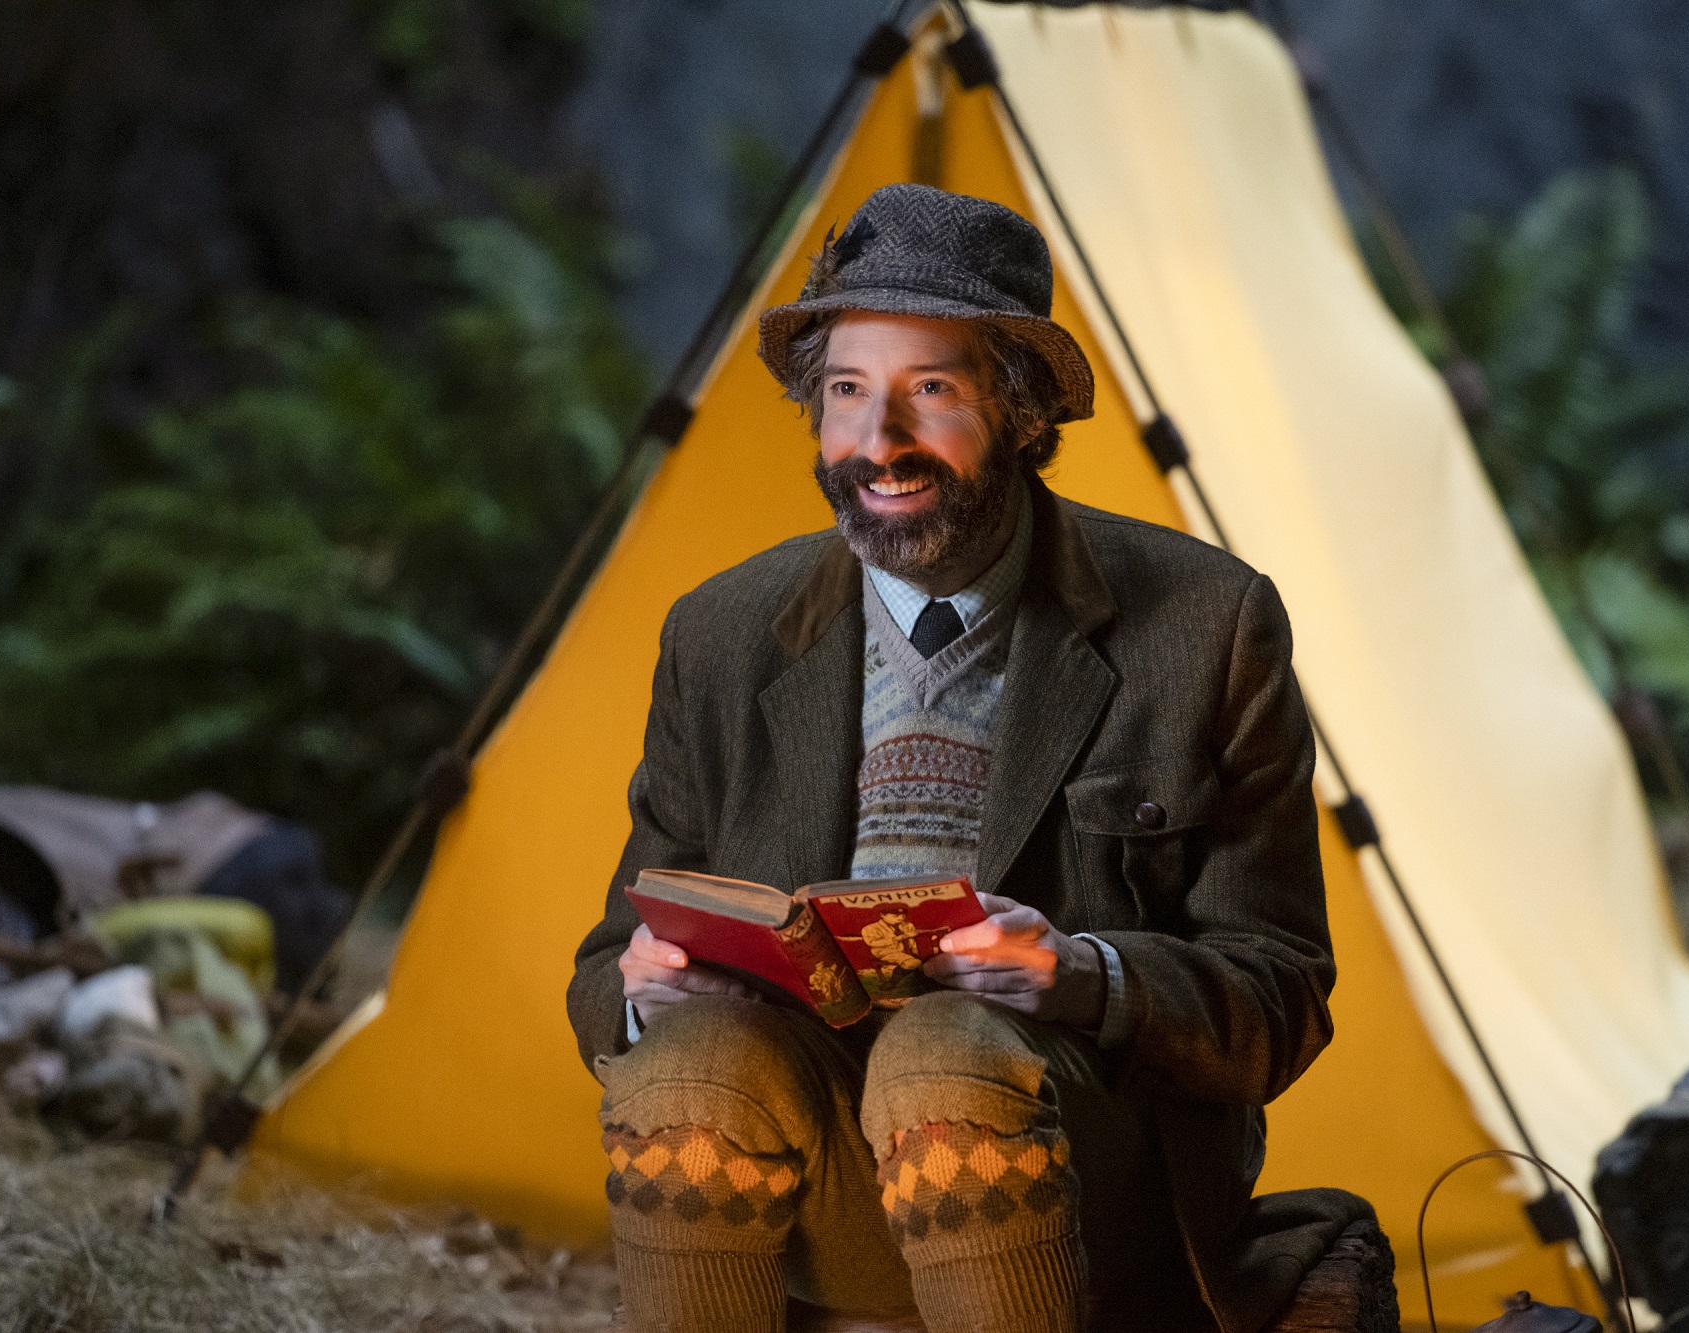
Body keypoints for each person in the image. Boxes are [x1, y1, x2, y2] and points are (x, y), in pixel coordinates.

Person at [568, 183, 1344, 1333]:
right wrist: (639, 992)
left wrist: (1083, 973)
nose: (875, 443)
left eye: (928, 391)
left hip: (1093, 1182)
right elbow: (600, 968)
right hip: (816, 1183)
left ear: (1024, 412)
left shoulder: (1204, 623)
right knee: (688, 1065)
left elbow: (1279, 995)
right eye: (844, 393)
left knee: (941, 1047)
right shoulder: (720, 632)